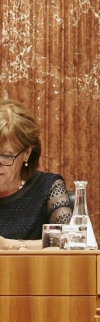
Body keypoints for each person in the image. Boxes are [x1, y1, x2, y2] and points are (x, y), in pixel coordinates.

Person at [0, 99, 73, 250]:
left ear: (26, 153)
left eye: (6, 156)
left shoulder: (48, 188)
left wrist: (11, 245)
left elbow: (68, 240)